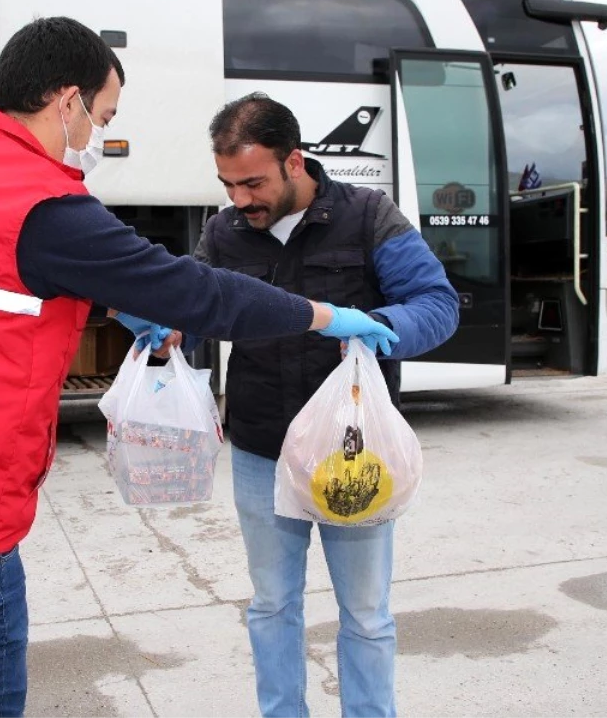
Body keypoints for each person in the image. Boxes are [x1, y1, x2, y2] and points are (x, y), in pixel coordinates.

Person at [0, 18, 397, 718]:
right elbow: (203, 294)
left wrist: (108, 299)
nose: (97, 138)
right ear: (67, 103)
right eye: (103, 116)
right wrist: (326, 315)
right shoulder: (43, 204)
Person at [187, 93, 460, 717]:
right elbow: (199, 309)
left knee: (365, 613)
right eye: (228, 184)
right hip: (262, 448)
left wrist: (380, 324)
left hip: (354, 452)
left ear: (295, 162)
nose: (240, 201)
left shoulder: (368, 216)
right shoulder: (224, 232)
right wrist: (171, 328)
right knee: (271, 606)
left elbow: (437, 304)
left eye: (253, 182)